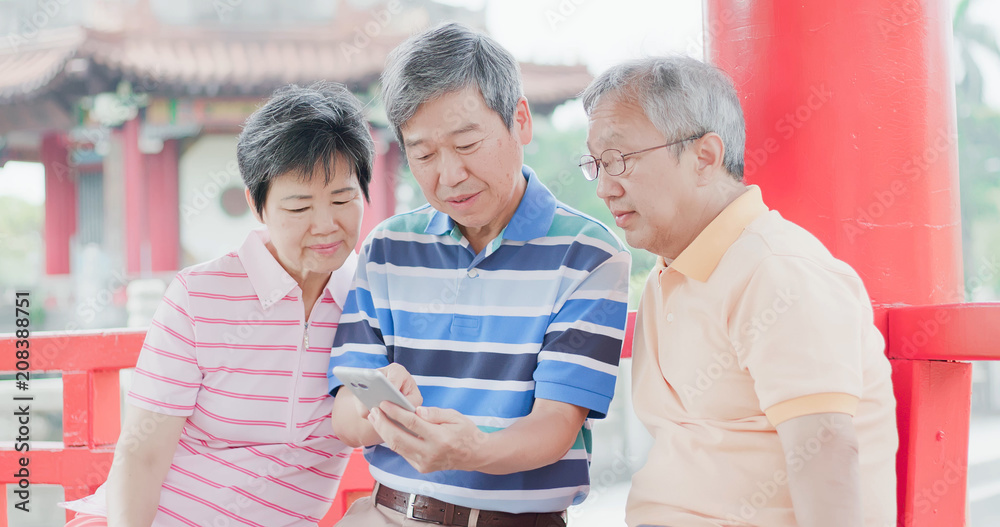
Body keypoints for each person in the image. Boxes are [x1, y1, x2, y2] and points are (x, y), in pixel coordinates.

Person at [328, 22, 632, 527]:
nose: (448, 176)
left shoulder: (590, 256)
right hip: (386, 513)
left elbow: (555, 424)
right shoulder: (386, 248)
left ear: (520, 122)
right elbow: (346, 415)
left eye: (467, 144)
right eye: (423, 154)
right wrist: (380, 410)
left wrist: (471, 450)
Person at [580, 57, 897, 527]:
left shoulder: (777, 271)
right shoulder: (669, 272)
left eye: (619, 160)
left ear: (704, 156)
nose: (605, 188)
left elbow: (826, 457)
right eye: (596, 165)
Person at [61, 81, 375, 526]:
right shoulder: (198, 294)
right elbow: (143, 451)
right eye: (299, 207)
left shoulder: (373, 299)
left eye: (342, 199)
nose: (325, 225)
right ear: (257, 204)